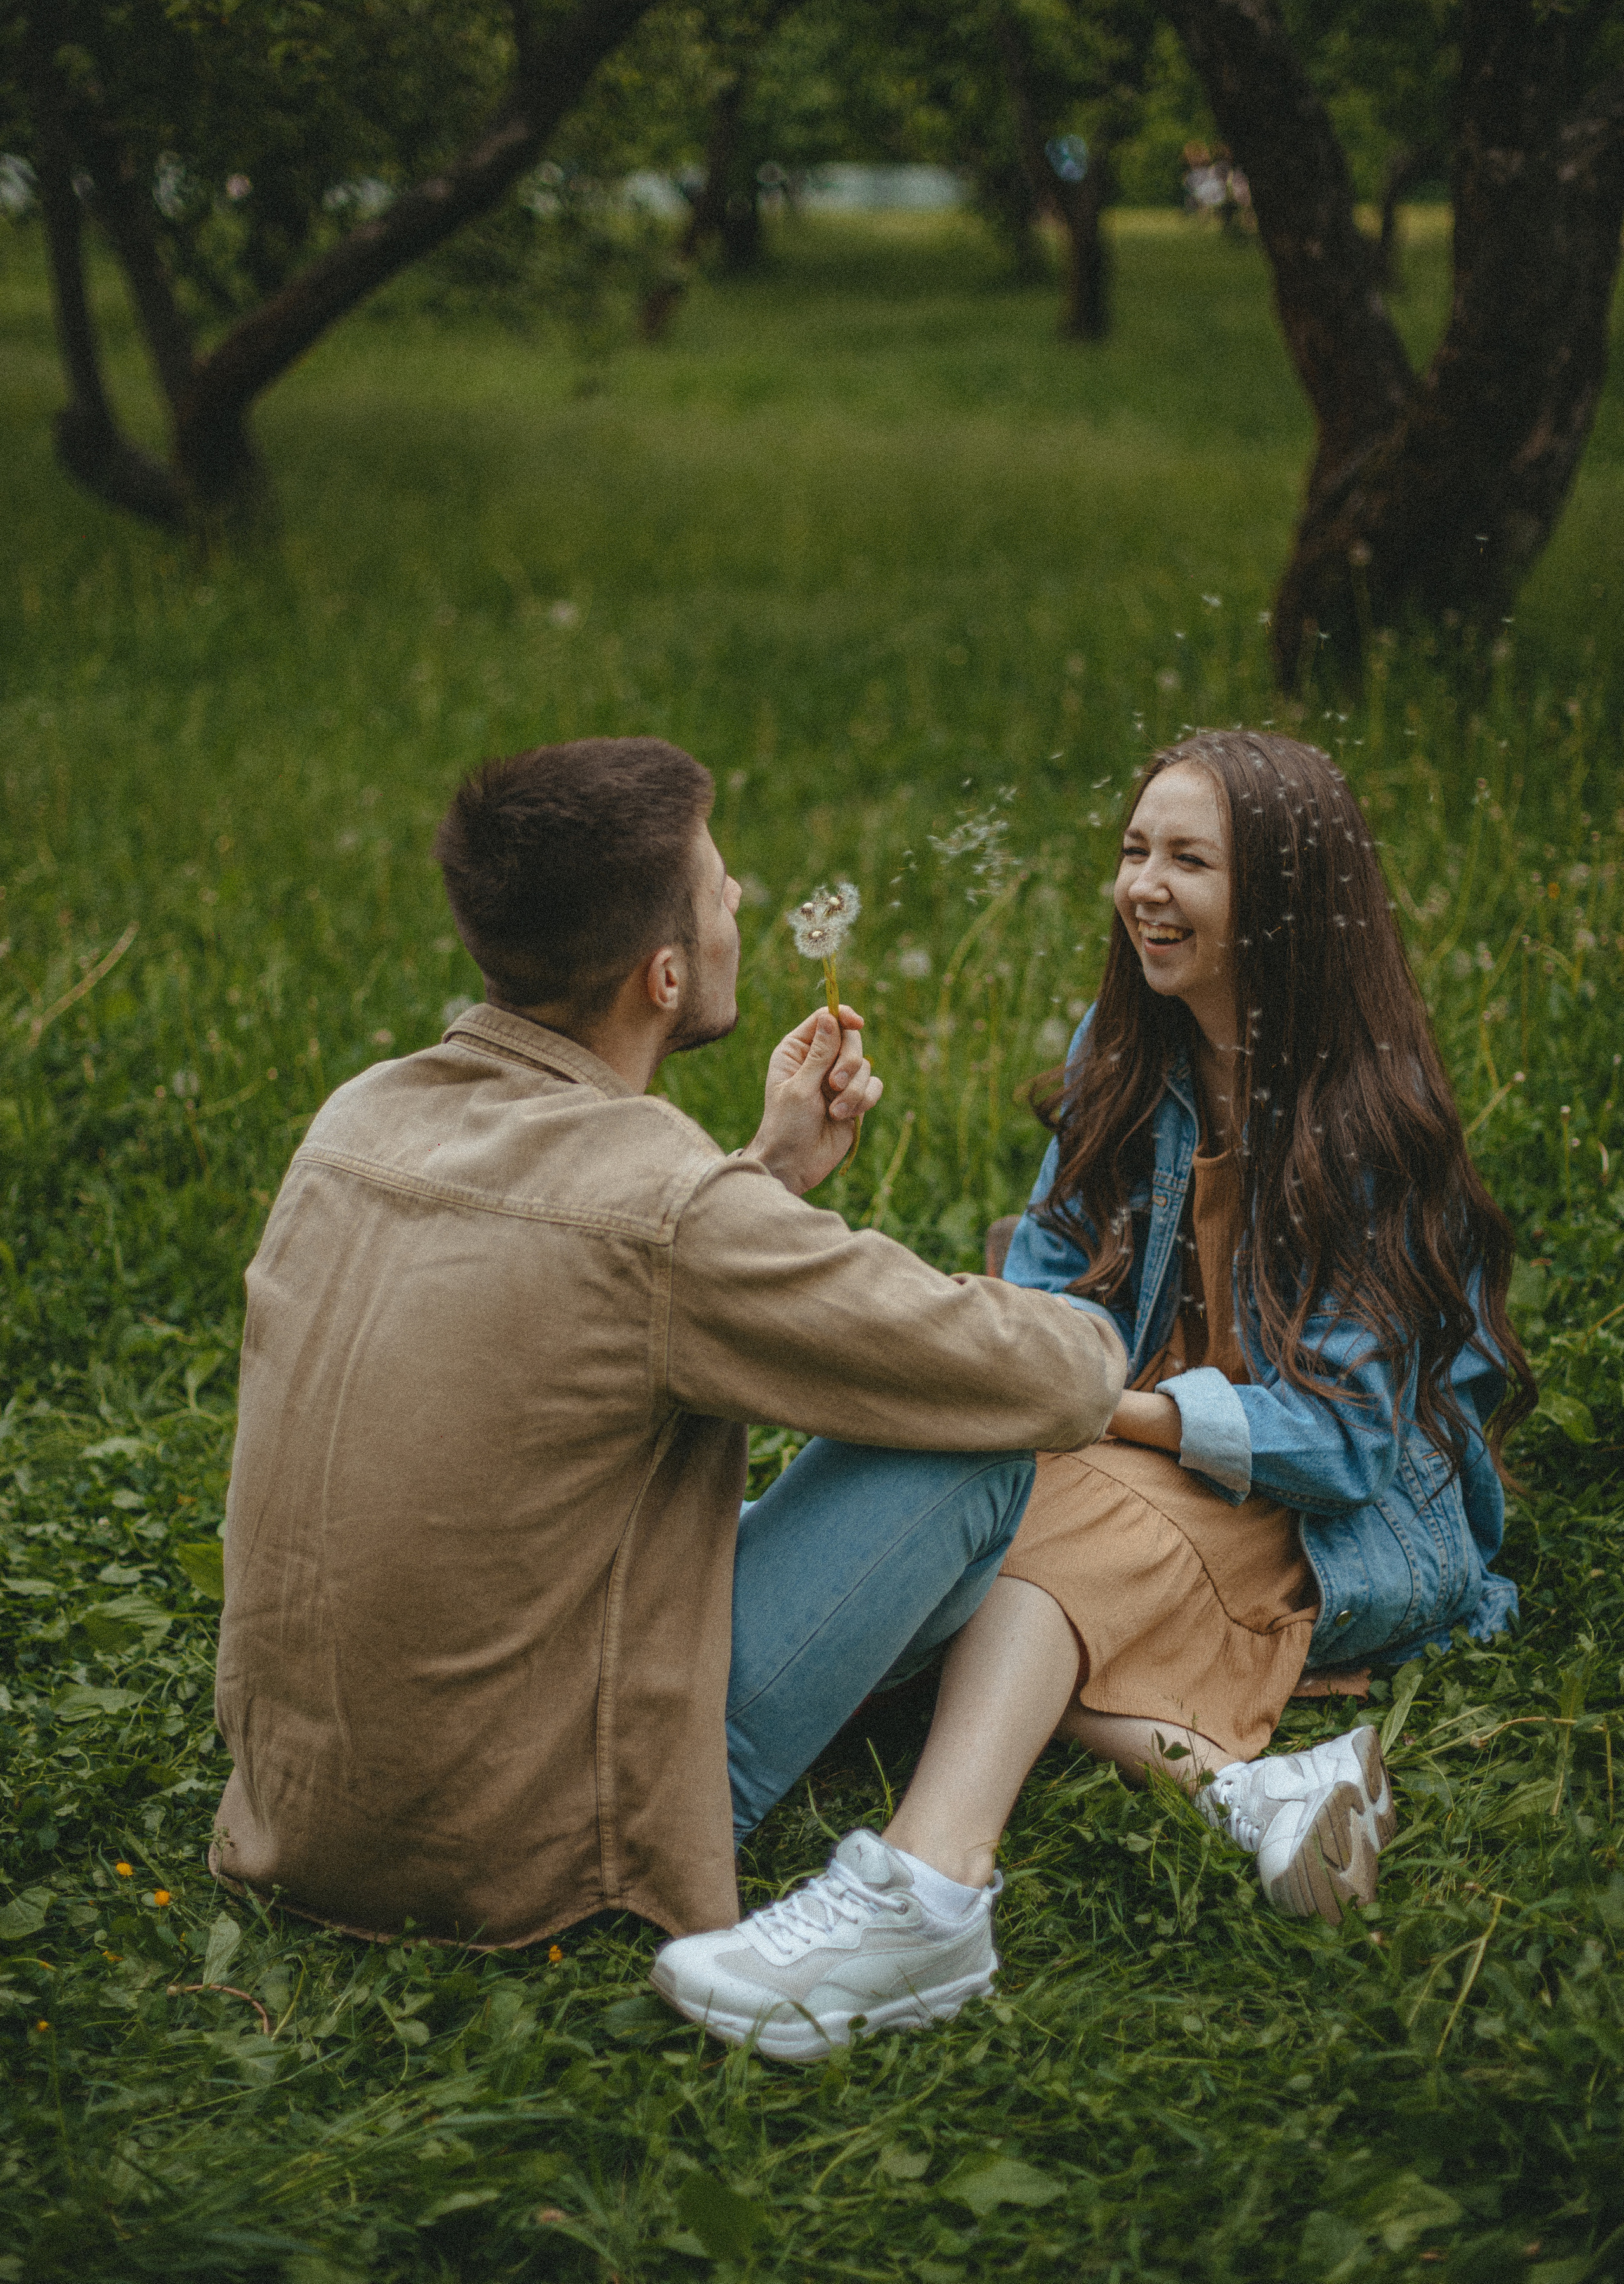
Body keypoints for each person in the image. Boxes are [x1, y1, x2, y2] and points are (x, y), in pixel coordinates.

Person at [657, 730, 1533, 2061]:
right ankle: (1246, 1794)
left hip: (1322, 1507)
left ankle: (929, 1881)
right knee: (956, 1521)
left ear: (1286, 898)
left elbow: (1348, 1443)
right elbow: (1057, 1295)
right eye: (1134, 851)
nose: (1144, 888)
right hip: (1127, 1444)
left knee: (1015, 1557)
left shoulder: (1365, 1115)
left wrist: (1094, 1409)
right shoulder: (1121, 1053)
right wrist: (1008, 1362)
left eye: (1190, 861)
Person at [210, 737, 1125, 1984]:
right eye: (717, 890)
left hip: (294, 1810)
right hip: (519, 1842)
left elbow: (581, 1292)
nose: (739, 898)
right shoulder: (664, 1207)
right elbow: (1049, 1383)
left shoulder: (355, 1116)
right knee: (974, 1455)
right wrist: (1098, 1315)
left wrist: (767, 1176)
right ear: (666, 974)